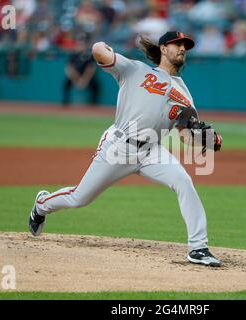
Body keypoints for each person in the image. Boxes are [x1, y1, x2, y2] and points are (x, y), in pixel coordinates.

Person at [29, 31, 223, 267]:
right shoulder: (135, 70)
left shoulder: (183, 94)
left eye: (185, 46)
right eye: (177, 44)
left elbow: (184, 135)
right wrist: (103, 47)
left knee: (183, 181)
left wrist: (206, 139)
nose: (182, 48)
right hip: (119, 146)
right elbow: (98, 50)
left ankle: (198, 247)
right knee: (80, 198)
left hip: (153, 150)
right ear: (163, 48)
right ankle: (42, 204)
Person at [62, 40, 100, 106]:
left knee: (96, 85)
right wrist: (76, 79)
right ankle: (66, 102)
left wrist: (84, 80)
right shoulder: (73, 55)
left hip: (87, 78)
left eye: (82, 45)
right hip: (75, 77)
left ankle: (93, 104)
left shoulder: (89, 56)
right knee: (66, 84)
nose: (80, 47)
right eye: (79, 45)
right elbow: (69, 68)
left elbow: (90, 69)